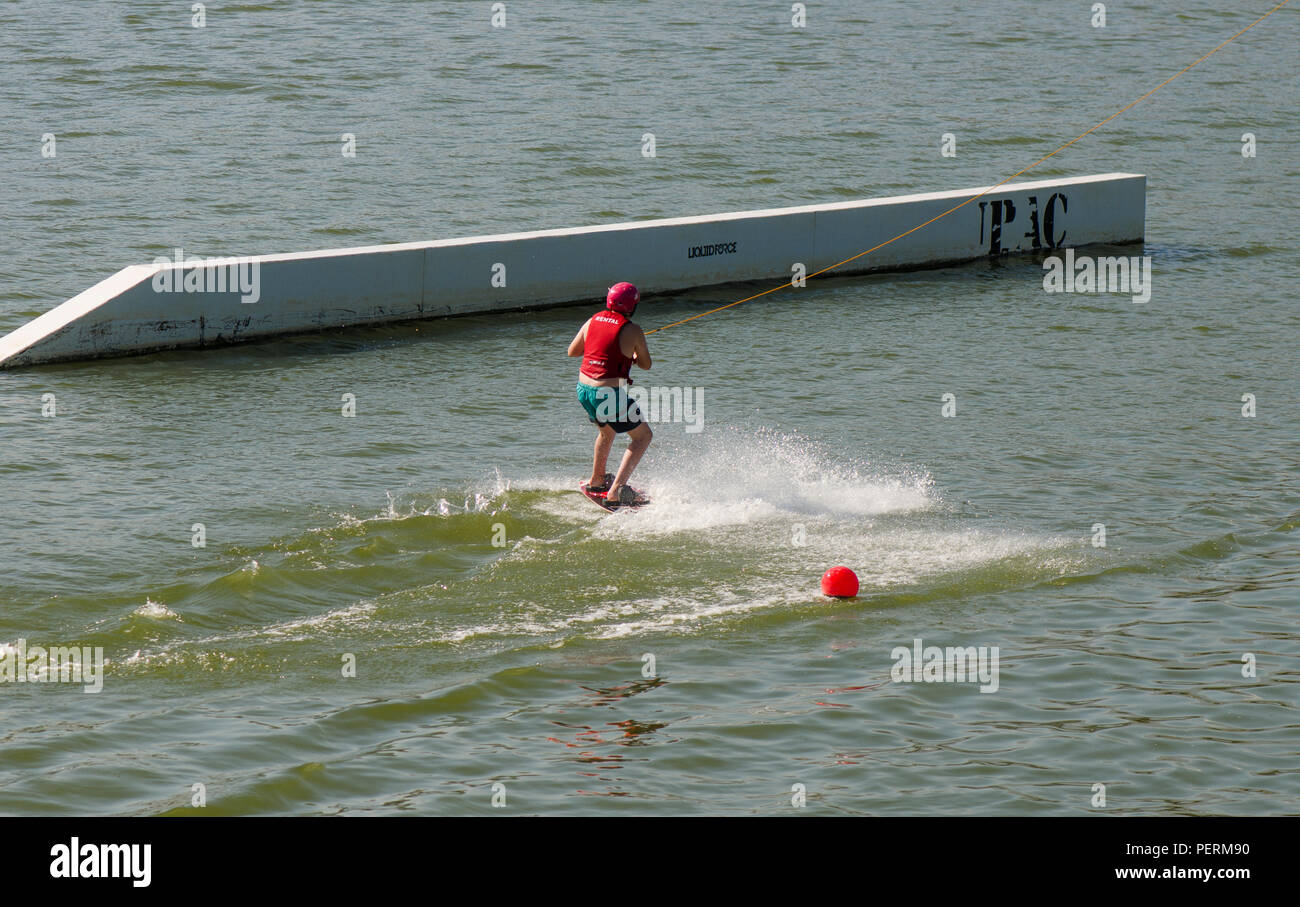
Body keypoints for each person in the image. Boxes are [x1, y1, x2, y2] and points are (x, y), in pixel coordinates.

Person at [567, 282, 652, 506]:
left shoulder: (592, 320)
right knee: (643, 436)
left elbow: (572, 352)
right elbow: (646, 364)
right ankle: (615, 491)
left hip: (584, 391)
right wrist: (633, 354)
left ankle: (596, 481)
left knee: (606, 432)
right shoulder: (633, 329)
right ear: (632, 306)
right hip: (607, 394)